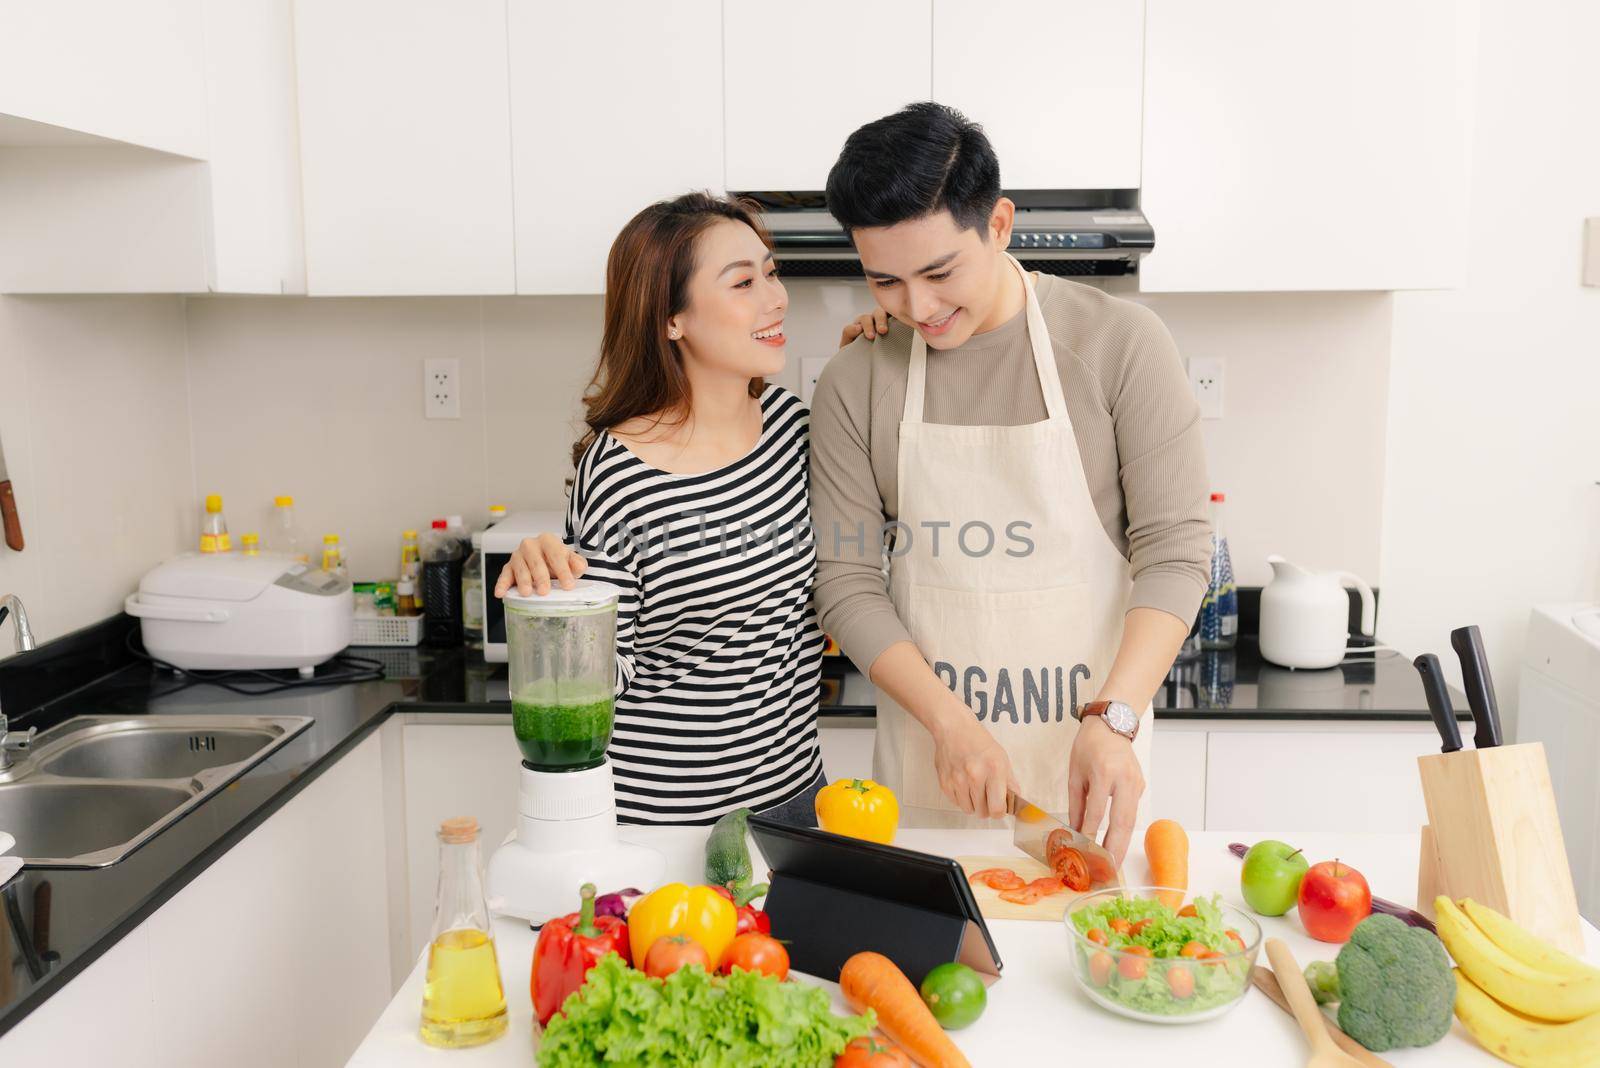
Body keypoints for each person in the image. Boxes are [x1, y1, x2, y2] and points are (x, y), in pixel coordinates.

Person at [810, 103, 1212, 863]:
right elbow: (847, 582)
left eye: (939, 273)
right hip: (929, 776)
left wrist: (1115, 717)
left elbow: (1176, 550)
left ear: (998, 224)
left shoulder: (1120, 344)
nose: (918, 309)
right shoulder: (854, 380)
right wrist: (949, 723)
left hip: (1089, 770)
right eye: (885, 282)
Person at [494, 192, 824, 826]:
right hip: (664, 820)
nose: (776, 297)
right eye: (743, 282)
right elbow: (596, 672)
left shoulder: (797, 430)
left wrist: (877, 350)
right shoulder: (620, 470)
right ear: (672, 318)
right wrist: (549, 602)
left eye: (772, 272)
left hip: (794, 807)